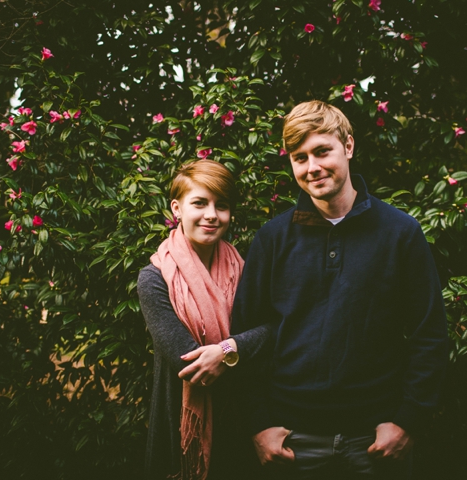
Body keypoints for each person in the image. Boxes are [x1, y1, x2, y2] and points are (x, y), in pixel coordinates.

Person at [231, 101, 448, 479]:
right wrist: (259, 425)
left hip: (376, 441)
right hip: (292, 442)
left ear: (348, 146)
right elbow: (246, 335)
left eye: (321, 151)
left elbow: (429, 333)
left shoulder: (400, 233)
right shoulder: (272, 239)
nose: (312, 167)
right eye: (300, 158)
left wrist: (407, 421)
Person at [138, 160, 269, 480]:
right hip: (181, 430)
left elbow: (275, 330)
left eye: (221, 205)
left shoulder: (245, 270)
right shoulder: (154, 279)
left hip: (245, 425)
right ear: (177, 208)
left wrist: (227, 349)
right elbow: (188, 361)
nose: (212, 214)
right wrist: (243, 352)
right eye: (200, 203)